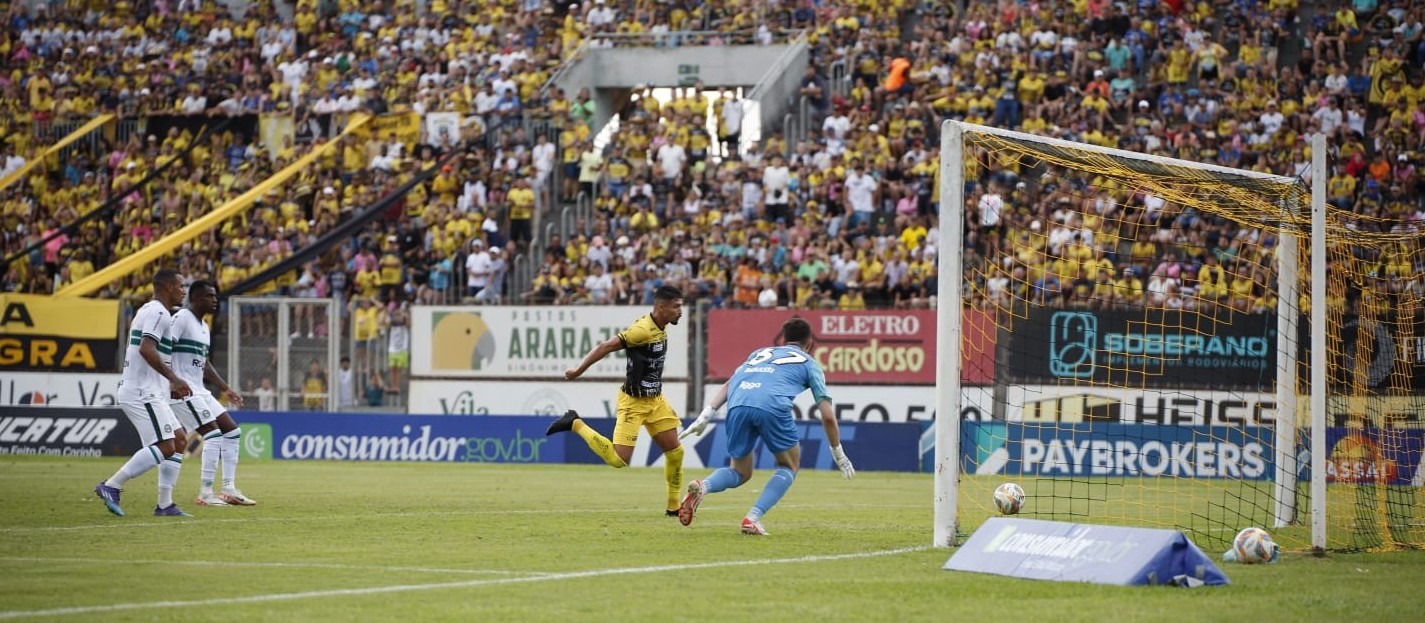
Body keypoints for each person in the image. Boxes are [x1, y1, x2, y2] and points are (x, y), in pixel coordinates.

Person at [677, 317, 855, 535]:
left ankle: (703, 486)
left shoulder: (759, 353)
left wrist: (706, 415)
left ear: (783, 339)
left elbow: (730, 383)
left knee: (739, 471)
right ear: (809, 344)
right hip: (771, 405)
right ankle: (752, 518)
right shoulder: (809, 363)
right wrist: (838, 452)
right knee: (789, 466)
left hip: (738, 403)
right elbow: (827, 416)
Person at [546, 285, 687, 516]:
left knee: (675, 451)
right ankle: (575, 423)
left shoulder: (661, 325)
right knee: (618, 460)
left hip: (656, 400)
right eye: (676, 307)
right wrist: (579, 370)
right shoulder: (641, 331)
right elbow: (606, 346)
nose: (680, 311)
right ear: (661, 307)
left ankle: (673, 508)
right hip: (634, 402)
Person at [94, 268, 194, 517]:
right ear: (168, 287)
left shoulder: (150, 311)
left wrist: (168, 383)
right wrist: (174, 379)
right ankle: (111, 485)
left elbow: (150, 350)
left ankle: (165, 504)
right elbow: (147, 350)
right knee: (166, 445)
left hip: (150, 389)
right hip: (141, 391)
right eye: (181, 286)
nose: (184, 290)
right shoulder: (159, 312)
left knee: (179, 440)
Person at [166, 280, 257, 507]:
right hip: (182, 389)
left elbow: (203, 364)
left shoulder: (204, 327)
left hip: (199, 390)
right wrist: (171, 381)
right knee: (213, 435)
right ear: (195, 298)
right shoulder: (182, 318)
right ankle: (206, 492)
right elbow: (164, 348)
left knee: (232, 432)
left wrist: (225, 388)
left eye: (215, 296)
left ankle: (228, 489)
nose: (215, 300)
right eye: (209, 296)